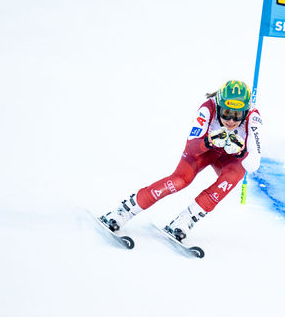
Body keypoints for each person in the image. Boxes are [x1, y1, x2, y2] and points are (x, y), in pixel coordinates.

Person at [100, 80, 262, 242]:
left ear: (245, 112)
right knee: (180, 180)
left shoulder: (253, 119)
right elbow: (192, 147)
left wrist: (240, 151)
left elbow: (253, 165)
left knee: (232, 177)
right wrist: (209, 141)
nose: (231, 121)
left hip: (230, 156)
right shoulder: (208, 109)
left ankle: (185, 220)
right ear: (219, 106)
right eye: (226, 113)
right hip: (204, 150)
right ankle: (123, 211)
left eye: (237, 115)